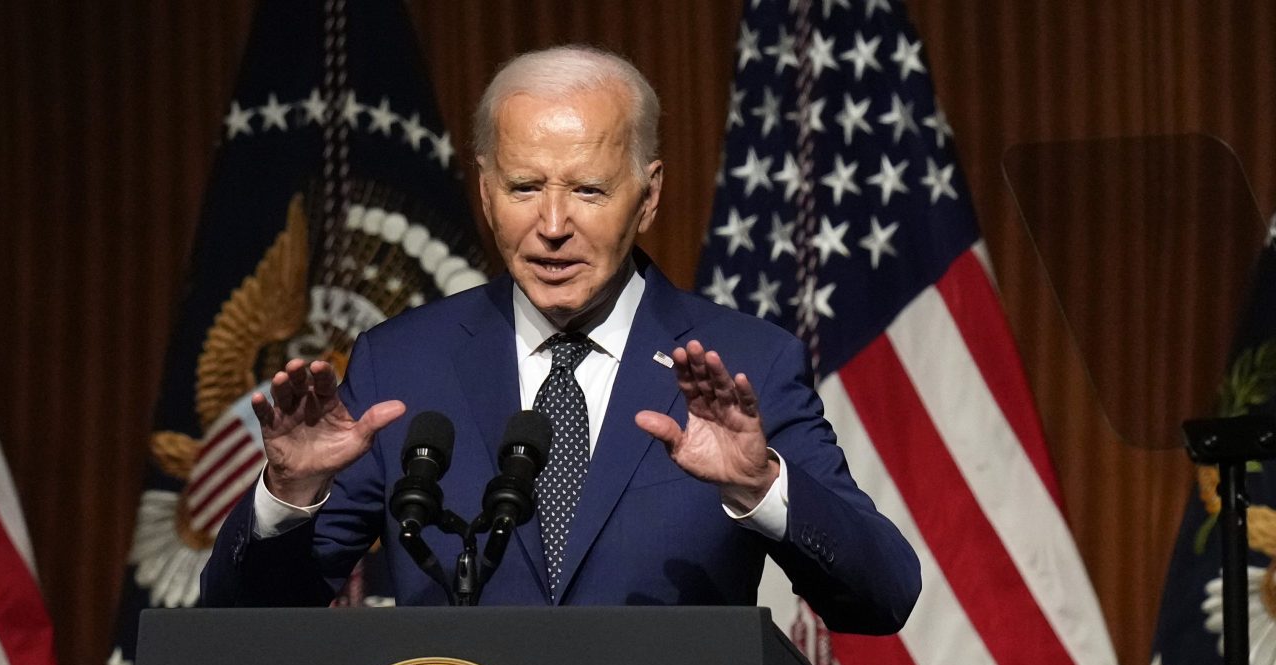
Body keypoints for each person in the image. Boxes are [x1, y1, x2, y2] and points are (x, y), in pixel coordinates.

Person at [200, 45, 919, 633]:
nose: (550, 225)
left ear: (650, 193)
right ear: (484, 192)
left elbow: (882, 596)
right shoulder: (400, 361)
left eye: (588, 191)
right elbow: (247, 620)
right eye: (522, 188)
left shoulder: (748, 363)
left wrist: (761, 486)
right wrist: (287, 497)